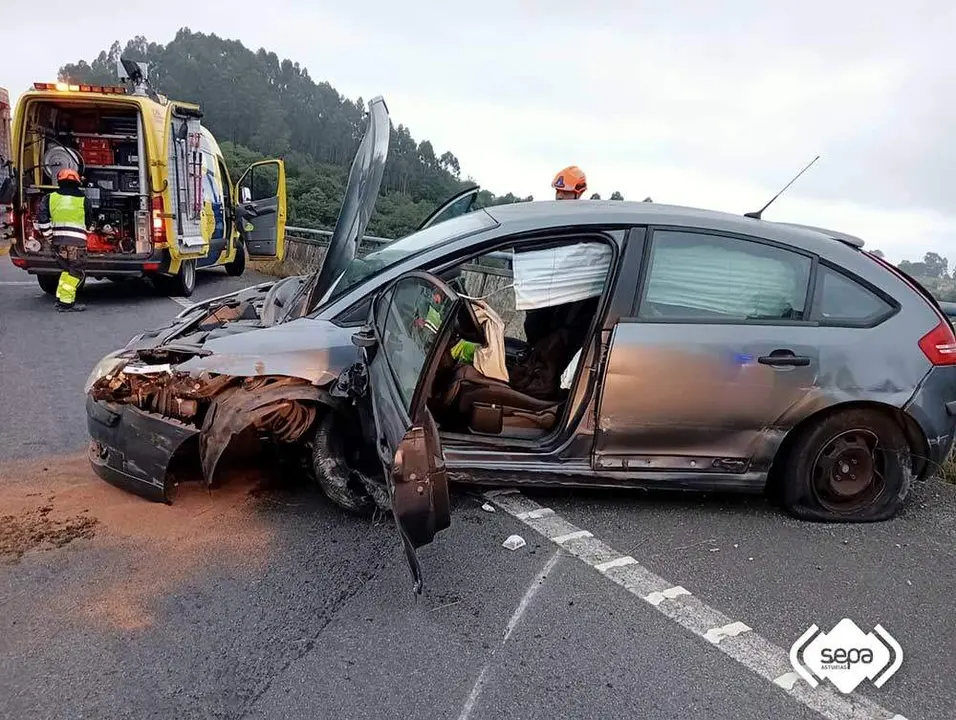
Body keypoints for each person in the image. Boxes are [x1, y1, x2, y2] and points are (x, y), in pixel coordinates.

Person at [35, 168, 92, 312]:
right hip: (77, 243)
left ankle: (60, 299)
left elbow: (42, 218)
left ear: (59, 181)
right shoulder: (83, 199)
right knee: (76, 272)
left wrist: (49, 236)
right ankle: (67, 303)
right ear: (77, 182)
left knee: (66, 269)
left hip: (58, 242)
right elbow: (89, 221)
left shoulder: (50, 197)